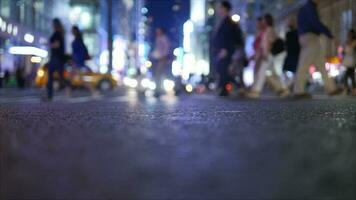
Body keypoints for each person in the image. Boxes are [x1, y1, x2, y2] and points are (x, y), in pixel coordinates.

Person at [293, 0, 342, 98]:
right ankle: (298, 90)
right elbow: (315, 22)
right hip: (310, 36)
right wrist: (329, 35)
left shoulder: (306, 7)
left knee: (321, 64)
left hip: (307, 36)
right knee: (304, 63)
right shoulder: (309, 6)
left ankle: (331, 88)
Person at [247, 14, 289, 99]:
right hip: (267, 54)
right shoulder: (267, 30)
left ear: (266, 21)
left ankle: (256, 91)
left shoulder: (269, 30)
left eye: (263, 20)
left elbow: (269, 43)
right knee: (272, 74)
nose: (262, 22)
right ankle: (282, 90)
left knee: (262, 73)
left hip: (267, 54)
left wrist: (265, 53)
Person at [212, 1, 241, 96]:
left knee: (222, 68)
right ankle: (225, 89)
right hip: (224, 49)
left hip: (226, 49)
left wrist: (224, 49)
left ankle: (236, 86)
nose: (219, 10)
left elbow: (227, 36)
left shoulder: (228, 21)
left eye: (220, 8)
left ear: (225, 9)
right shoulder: (225, 20)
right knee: (222, 68)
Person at [46, 18, 66, 101]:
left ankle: (50, 96)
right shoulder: (60, 33)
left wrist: (48, 44)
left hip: (55, 58)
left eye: (52, 23)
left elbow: (57, 45)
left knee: (50, 76)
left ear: (55, 24)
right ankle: (68, 88)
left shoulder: (57, 34)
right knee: (60, 76)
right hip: (59, 58)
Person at [151, 27, 171, 97]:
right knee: (159, 75)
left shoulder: (164, 39)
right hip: (158, 60)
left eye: (158, 31)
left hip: (163, 59)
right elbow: (157, 49)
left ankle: (159, 91)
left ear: (162, 32)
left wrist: (163, 57)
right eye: (156, 31)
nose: (157, 32)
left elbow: (166, 49)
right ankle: (159, 91)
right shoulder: (158, 39)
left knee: (159, 75)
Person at [283, 16, 300, 89]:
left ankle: (291, 86)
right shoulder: (290, 33)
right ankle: (291, 86)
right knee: (291, 71)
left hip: (294, 55)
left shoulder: (296, 33)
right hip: (292, 54)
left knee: (294, 71)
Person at [342, 29, 356, 94]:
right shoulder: (347, 42)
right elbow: (344, 51)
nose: (349, 35)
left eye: (350, 34)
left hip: (352, 60)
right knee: (351, 75)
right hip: (347, 61)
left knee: (347, 75)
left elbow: (350, 49)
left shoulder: (354, 41)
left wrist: (347, 44)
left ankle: (348, 88)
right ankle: (352, 88)